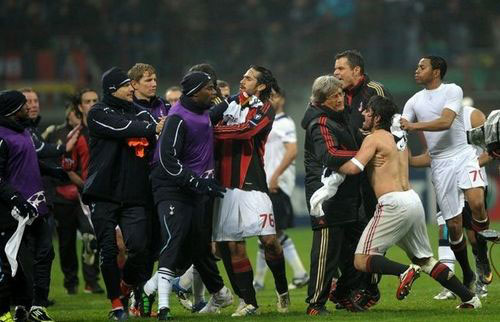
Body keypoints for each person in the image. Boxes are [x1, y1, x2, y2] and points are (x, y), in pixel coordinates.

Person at [337, 95, 481, 309]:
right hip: (412, 201)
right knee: (425, 260)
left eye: (368, 111)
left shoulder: (374, 139)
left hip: (393, 203)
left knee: (361, 259)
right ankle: (470, 298)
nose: (363, 113)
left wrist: (328, 161)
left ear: (377, 118)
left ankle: (404, 270)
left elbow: (352, 168)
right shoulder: (400, 140)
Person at [143, 71, 233, 320]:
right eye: (210, 89)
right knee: (173, 241)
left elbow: (215, 112)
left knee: (196, 246)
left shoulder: (202, 111)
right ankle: (163, 308)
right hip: (173, 189)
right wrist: (197, 181)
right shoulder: (177, 118)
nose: (214, 93)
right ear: (195, 92)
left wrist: (242, 95)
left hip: (194, 191)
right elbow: (167, 160)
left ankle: (148, 289)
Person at [400, 56, 490, 293]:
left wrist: (413, 126)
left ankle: (481, 256)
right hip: (440, 163)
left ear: (436, 71)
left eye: (422, 67)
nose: (417, 70)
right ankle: (468, 273)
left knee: (477, 202)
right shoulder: (413, 101)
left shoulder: (453, 90)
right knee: (454, 225)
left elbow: (446, 122)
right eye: (417, 66)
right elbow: (400, 128)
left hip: (463, 154)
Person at [82, 67, 165, 320]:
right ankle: (116, 304)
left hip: (135, 195)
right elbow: (123, 128)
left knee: (140, 248)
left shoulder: (141, 112)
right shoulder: (98, 113)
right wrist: (149, 128)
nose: (131, 89)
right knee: (108, 251)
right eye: (126, 85)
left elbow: (152, 128)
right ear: (112, 89)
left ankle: (127, 286)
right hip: (103, 194)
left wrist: (150, 127)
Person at [212, 65, 290, 316]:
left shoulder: (265, 108)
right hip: (225, 185)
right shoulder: (228, 104)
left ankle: (282, 289)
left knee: (269, 241)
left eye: (248, 77)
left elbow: (248, 131)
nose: (242, 79)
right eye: (243, 75)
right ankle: (249, 302)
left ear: (261, 86)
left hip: (253, 184)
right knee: (234, 246)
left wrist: (211, 131)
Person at [301, 75, 365, 316]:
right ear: (323, 100)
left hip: (347, 194)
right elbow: (330, 154)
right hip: (325, 196)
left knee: (358, 250)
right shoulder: (320, 123)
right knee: (326, 254)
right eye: (334, 96)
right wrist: (364, 153)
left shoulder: (340, 118)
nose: (340, 98)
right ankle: (315, 304)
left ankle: (343, 293)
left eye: (340, 93)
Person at [333, 50, 393, 303]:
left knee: (369, 231)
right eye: (334, 69)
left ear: (356, 71)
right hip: (347, 174)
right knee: (345, 233)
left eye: (340, 69)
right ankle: (350, 285)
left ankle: (367, 287)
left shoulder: (374, 91)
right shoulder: (336, 95)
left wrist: (383, 153)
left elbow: (391, 124)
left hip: (368, 174)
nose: (335, 73)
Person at [0, 90, 54, 322]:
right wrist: (16, 199)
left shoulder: (23, 132)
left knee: (45, 254)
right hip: (12, 211)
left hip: (36, 207)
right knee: (14, 261)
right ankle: (12, 307)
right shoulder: (2, 136)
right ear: (12, 110)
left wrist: (55, 171)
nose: (29, 108)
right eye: (24, 105)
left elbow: (27, 161)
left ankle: (37, 306)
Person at [42, 102, 103, 296]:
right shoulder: (55, 133)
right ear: (70, 113)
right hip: (62, 196)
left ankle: (91, 281)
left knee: (90, 237)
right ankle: (71, 282)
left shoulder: (91, 133)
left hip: (84, 195)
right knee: (66, 243)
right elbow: (46, 159)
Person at [253, 88, 309, 291]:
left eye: (275, 96)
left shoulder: (285, 122)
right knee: (267, 232)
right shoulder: (265, 123)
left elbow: (292, 151)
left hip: (276, 185)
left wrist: (275, 176)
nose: (272, 100)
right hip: (265, 183)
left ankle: (261, 281)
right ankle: (263, 280)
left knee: (271, 232)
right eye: (269, 97)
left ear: (282, 100)